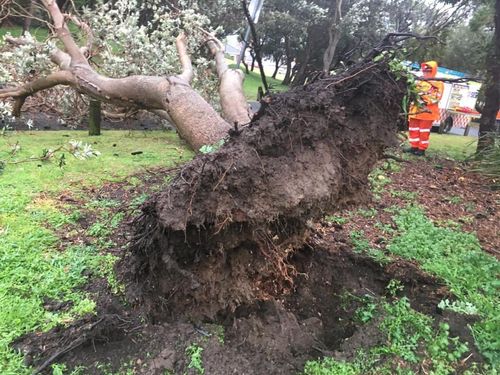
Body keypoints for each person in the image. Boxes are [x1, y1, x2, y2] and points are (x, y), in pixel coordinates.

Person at [405, 61, 444, 156]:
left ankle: (421, 149)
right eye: (424, 71)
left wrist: (422, 99)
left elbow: (436, 97)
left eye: (428, 71)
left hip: (427, 112)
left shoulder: (438, 83)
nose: (425, 73)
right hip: (415, 111)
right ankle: (414, 147)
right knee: (413, 129)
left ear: (433, 71)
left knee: (423, 131)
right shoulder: (419, 81)